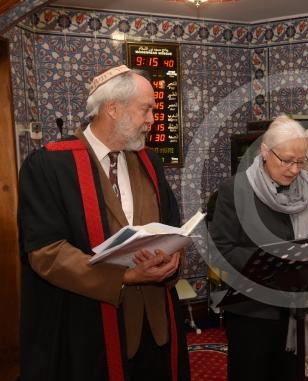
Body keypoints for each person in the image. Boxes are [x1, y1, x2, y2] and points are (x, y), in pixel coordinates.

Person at [18, 65, 190, 381]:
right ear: (113, 109)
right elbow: (46, 252)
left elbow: (170, 224)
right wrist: (124, 276)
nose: (152, 119)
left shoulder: (148, 161)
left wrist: (173, 256)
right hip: (89, 326)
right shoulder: (49, 165)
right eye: (146, 109)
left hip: (155, 323)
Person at [209, 115, 308, 381]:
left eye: (300, 161)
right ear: (264, 151)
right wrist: (273, 260)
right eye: (286, 160)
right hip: (251, 311)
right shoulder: (235, 189)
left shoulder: (306, 188)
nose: (295, 170)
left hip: (294, 307)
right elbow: (221, 249)